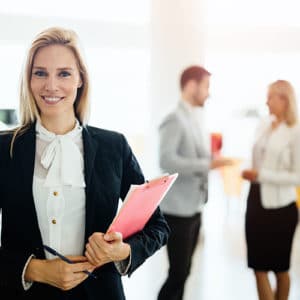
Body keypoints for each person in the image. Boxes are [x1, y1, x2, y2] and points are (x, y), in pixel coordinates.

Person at [0, 27, 170, 300]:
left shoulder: (114, 146)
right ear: (28, 80)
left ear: (81, 79)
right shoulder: (4, 148)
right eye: (40, 73)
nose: (51, 86)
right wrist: (34, 270)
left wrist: (122, 251)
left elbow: (158, 226)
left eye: (64, 73)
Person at [157, 65, 232, 300]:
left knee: (184, 271)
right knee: (178, 273)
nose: (208, 93)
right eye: (206, 86)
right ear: (191, 85)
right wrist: (208, 165)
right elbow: (166, 160)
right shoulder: (174, 118)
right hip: (177, 210)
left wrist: (213, 160)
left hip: (194, 206)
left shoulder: (192, 117)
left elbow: (195, 157)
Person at [242, 80, 300, 300]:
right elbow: (258, 157)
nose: (266, 101)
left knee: (280, 269)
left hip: (281, 208)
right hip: (255, 201)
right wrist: (251, 171)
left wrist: (261, 175)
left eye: (270, 97)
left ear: (284, 99)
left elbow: (298, 176)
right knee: (258, 267)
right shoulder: (264, 123)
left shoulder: (296, 131)